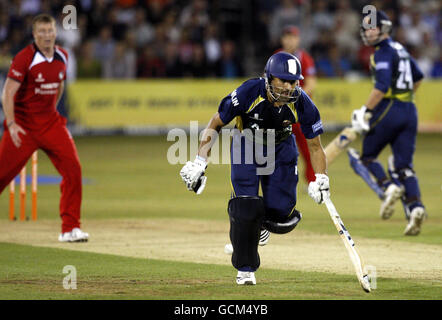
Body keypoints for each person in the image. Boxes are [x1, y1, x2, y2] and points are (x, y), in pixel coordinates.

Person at [180, 52, 329, 284]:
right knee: (245, 207)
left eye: (294, 81)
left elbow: (315, 146)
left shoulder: (303, 103)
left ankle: (260, 222)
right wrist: (200, 162)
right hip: (246, 144)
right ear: (268, 78)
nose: (289, 88)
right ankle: (246, 268)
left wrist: (320, 178)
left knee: (283, 216)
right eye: (284, 81)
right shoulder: (248, 92)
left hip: (281, 147)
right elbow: (216, 122)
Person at [0, 14, 88, 242]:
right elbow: (7, 93)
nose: (47, 35)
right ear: (34, 34)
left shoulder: (63, 56)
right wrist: (11, 124)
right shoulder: (24, 58)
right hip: (23, 127)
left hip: (50, 124)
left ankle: (70, 229)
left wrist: (52, 113)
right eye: (42, 31)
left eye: (50, 31)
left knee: (73, 170)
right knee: (1, 175)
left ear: (55, 33)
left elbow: (58, 87)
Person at [350, 10, 426, 235]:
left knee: (366, 158)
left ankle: (388, 186)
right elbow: (419, 77)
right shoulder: (400, 48)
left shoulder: (382, 52)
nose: (367, 32)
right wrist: (404, 97)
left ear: (383, 28)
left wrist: (365, 110)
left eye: (372, 27)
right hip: (410, 110)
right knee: (403, 166)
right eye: (366, 28)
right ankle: (416, 208)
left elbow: (381, 87)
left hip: (390, 108)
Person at [278, 25, 317, 184]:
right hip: (280, 112)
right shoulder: (277, 57)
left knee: (308, 150)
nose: (289, 40)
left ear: (298, 39)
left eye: (292, 37)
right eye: (287, 37)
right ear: (282, 40)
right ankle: (278, 182)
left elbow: (311, 83)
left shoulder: (304, 58)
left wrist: (294, 98)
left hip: (300, 112)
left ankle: (313, 182)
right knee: (279, 150)